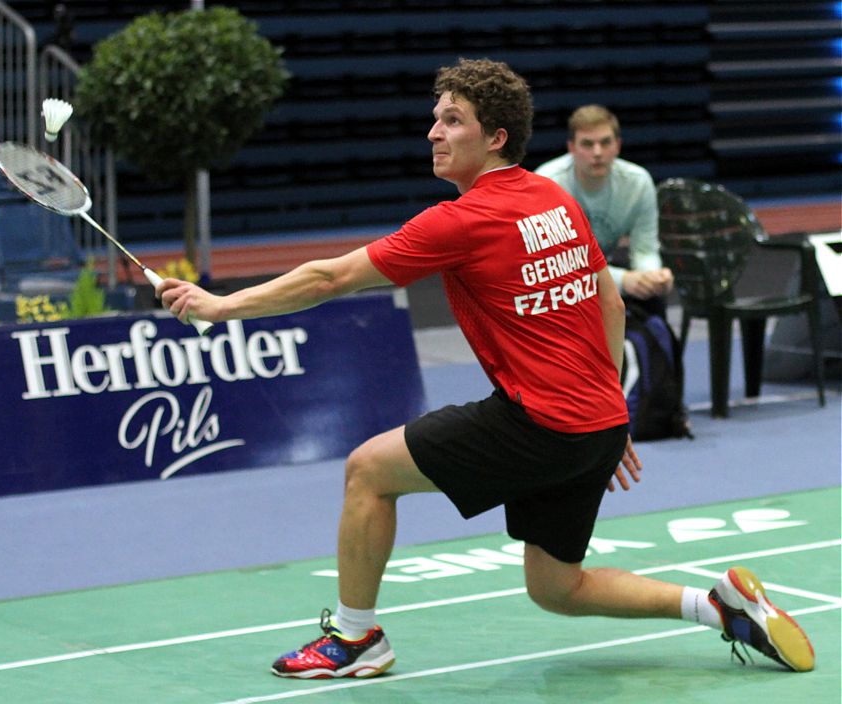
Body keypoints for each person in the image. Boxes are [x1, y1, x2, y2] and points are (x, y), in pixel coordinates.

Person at [157, 59, 814, 679]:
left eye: (452, 120)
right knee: (556, 587)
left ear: (495, 137)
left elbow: (332, 276)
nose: (433, 132)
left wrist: (220, 307)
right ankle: (718, 607)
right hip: (595, 419)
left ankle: (356, 638)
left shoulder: (463, 220)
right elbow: (609, 303)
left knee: (367, 472)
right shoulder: (557, 203)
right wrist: (609, 417)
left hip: (543, 422)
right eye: (437, 117)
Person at [535, 105, 673, 315]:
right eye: (587, 144)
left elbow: (645, 250)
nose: (597, 152)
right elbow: (558, 266)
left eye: (605, 142)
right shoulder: (547, 185)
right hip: (555, 283)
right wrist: (623, 280)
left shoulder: (638, 183)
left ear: (617, 146)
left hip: (602, 271)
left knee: (653, 302)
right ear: (571, 148)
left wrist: (652, 277)